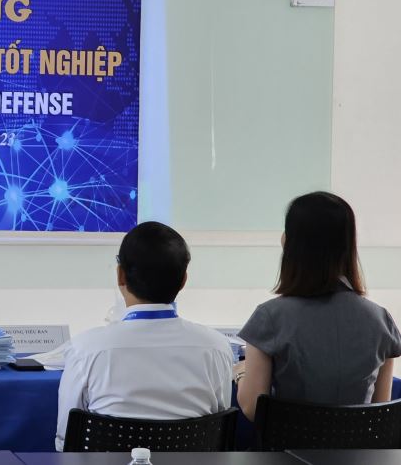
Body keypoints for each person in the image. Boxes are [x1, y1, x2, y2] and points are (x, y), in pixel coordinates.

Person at [54, 222, 233, 451]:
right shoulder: (217, 348)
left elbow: (66, 441)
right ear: (183, 280)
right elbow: (217, 433)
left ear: (120, 275)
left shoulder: (85, 349)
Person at [236, 191, 401, 421]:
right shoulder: (381, 321)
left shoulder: (269, 318)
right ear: (348, 247)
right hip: (355, 445)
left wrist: (242, 373)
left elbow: (254, 408)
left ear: (289, 243)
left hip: (290, 444)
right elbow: (379, 410)